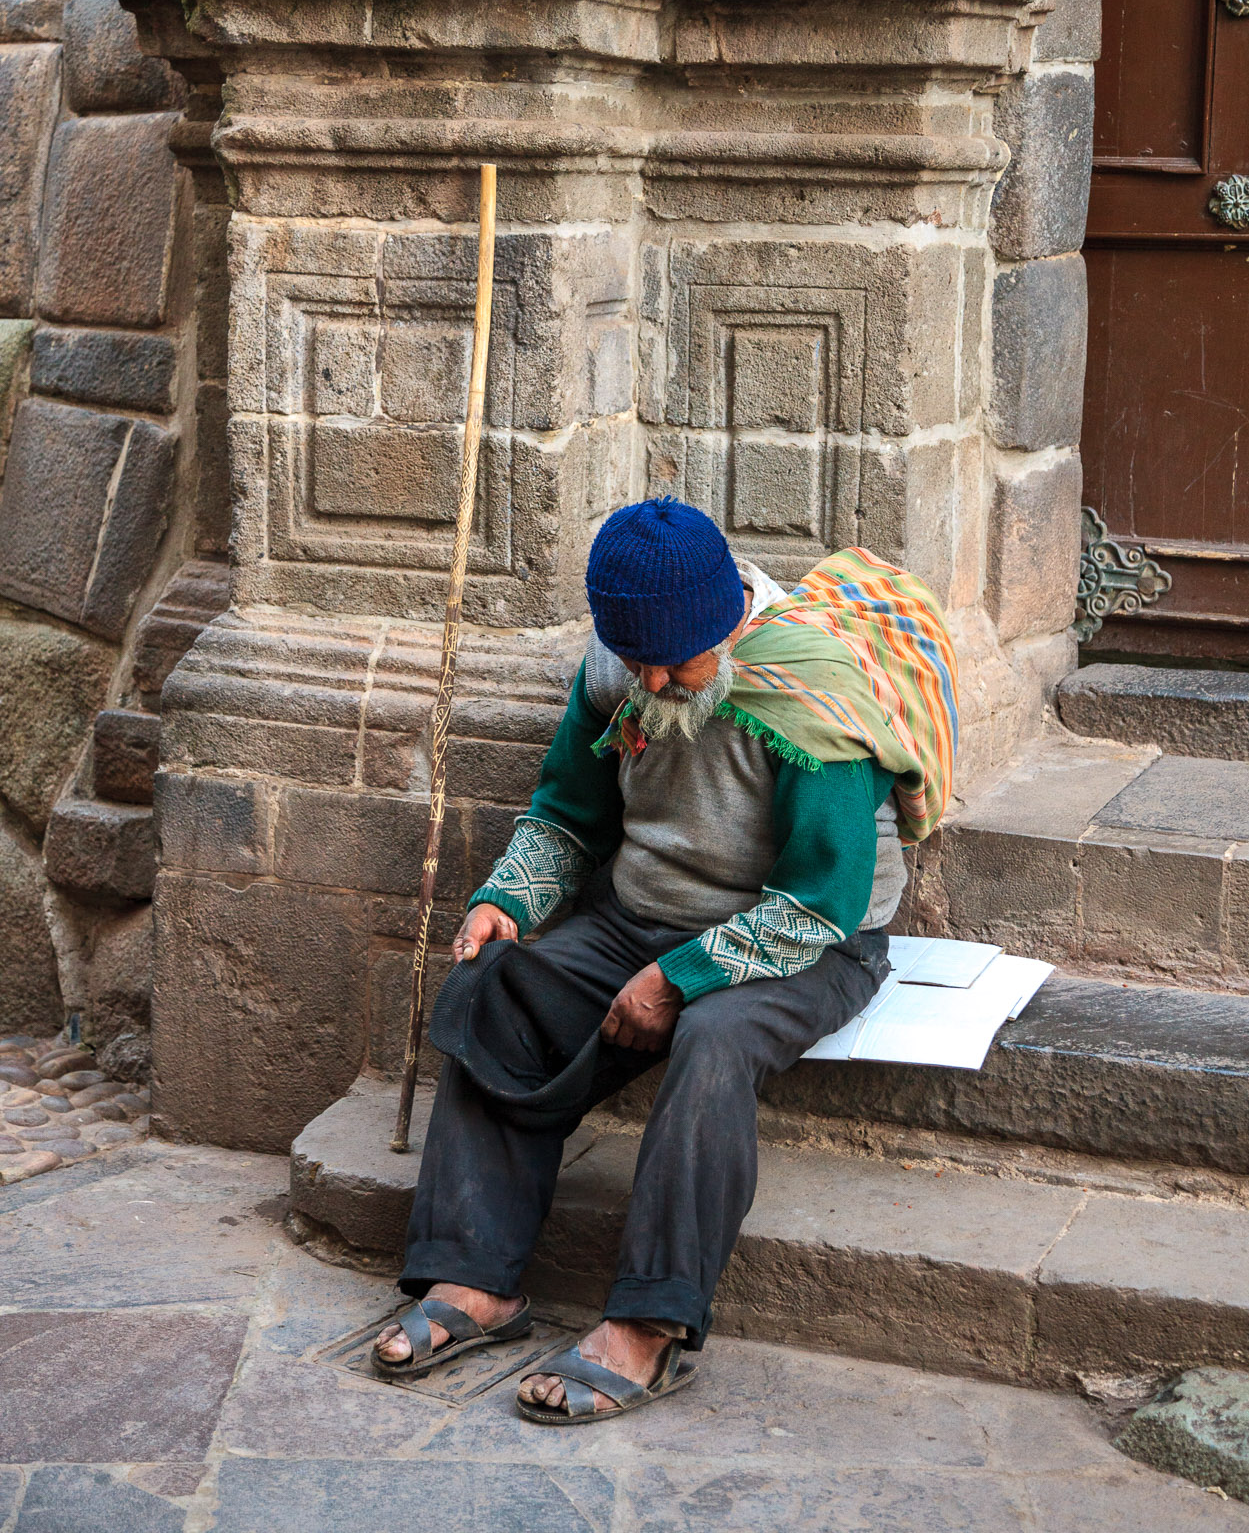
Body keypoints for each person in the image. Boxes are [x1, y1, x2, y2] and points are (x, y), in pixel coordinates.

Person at [371, 497, 957, 1424]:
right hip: (640, 915)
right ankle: (476, 1280)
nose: (652, 680)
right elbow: (569, 811)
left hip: (805, 942)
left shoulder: (809, 694)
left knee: (714, 1040)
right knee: (496, 988)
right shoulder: (623, 668)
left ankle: (647, 1329)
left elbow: (824, 900)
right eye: (633, 659)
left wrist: (679, 979)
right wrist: (506, 898)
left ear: (725, 620)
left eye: (674, 662)